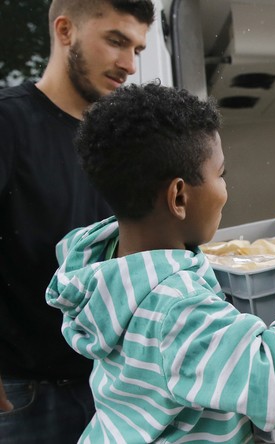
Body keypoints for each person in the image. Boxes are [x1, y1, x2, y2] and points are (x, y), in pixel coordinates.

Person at [45, 83, 275, 442]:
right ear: (179, 197)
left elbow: (178, 264)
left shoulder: (108, 266)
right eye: (221, 174)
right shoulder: (176, 309)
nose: (225, 190)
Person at [0, 1, 155, 441]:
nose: (128, 64)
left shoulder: (122, 141)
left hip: (117, 388)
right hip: (24, 397)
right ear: (65, 30)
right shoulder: (8, 120)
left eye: (137, 50)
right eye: (116, 40)